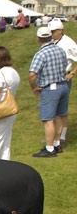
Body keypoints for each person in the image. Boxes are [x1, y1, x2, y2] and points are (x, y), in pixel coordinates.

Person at [29, 26, 69, 157]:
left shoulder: (41, 54)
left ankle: (50, 148)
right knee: (58, 116)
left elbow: (32, 74)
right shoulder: (60, 50)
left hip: (51, 88)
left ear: (38, 39)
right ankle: (57, 143)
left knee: (48, 119)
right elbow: (64, 67)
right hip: (63, 85)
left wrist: (34, 87)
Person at [48, 18, 77, 146]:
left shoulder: (69, 43)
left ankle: (62, 136)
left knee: (61, 110)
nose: (52, 34)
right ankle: (54, 136)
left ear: (60, 31)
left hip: (63, 78)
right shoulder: (54, 42)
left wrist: (72, 73)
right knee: (53, 110)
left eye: (54, 31)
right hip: (53, 78)